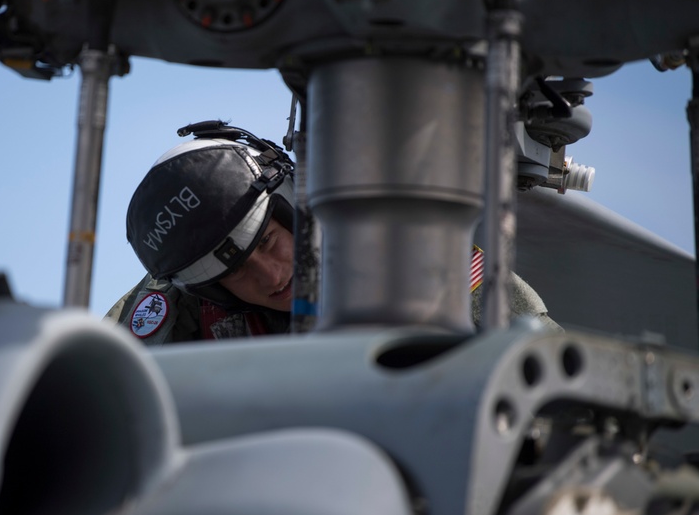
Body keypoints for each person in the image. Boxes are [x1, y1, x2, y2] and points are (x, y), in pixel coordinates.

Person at [105, 120, 560, 346]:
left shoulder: (420, 256)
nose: (271, 275)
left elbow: (541, 352)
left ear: (294, 205)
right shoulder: (170, 303)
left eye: (267, 242)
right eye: (238, 272)